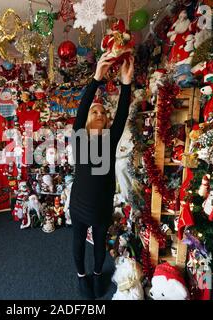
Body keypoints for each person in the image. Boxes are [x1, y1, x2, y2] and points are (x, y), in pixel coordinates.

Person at [70, 50, 134, 299]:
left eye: (102, 112)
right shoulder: (79, 137)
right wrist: (96, 77)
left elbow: (121, 114)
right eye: (94, 112)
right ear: (86, 120)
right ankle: (81, 278)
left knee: (99, 241)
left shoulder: (110, 139)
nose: (99, 114)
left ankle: (97, 275)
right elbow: (82, 106)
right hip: (79, 204)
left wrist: (126, 83)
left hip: (101, 205)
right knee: (77, 242)